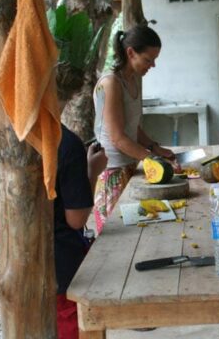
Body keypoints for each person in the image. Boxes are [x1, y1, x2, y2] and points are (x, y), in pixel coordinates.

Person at [93, 24, 178, 234]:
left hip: (130, 166)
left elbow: (133, 127)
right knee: (117, 239)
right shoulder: (111, 82)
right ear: (130, 52)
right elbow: (118, 137)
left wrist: (155, 148)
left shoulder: (135, 80)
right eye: (148, 59)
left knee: (139, 231)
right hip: (112, 172)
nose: (153, 65)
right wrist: (153, 160)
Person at [54, 62, 108, 339]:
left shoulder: (10, 136)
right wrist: (91, 172)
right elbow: (76, 219)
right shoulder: (65, 143)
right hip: (60, 263)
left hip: (19, 263)